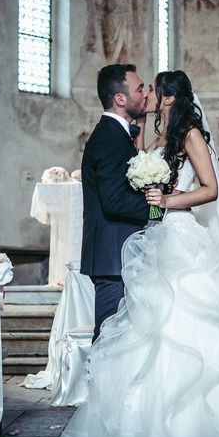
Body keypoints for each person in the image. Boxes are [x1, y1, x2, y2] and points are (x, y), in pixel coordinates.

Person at [57, 70, 219, 437]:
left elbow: (210, 190)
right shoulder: (155, 138)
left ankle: (202, 422)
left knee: (191, 320)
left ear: (170, 98)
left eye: (153, 88)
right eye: (143, 88)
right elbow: (135, 180)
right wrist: (150, 186)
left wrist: (168, 201)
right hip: (154, 237)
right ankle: (144, 422)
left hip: (181, 235)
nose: (148, 93)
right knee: (147, 323)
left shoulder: (190, 134)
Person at [80, 63, 151, 342]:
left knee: (121, 338)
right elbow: (114, 202)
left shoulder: (119, 134)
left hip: (117, 253)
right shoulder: (110, 137)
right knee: (109, 338)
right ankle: (99, 387)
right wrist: (161, 207)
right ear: (120, 99)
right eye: (139, 88)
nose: (145, 94)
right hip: (113, 258)